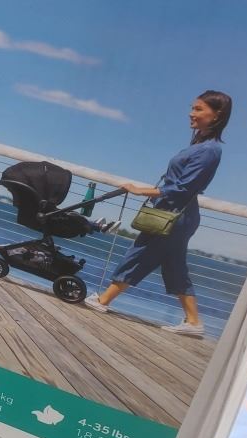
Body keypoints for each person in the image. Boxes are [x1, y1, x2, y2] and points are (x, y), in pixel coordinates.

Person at [84, 90, 233, 337]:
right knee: (174, 266)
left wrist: (140, 190)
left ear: (217, 115)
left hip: (175, 216)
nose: (191, 113)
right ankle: (194, 322)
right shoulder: (199, 145)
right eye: (192, 107)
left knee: (140, 253)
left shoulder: (210, 150)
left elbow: (182, 188)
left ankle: (103, 300)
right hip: (174, 214)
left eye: (198, 109)